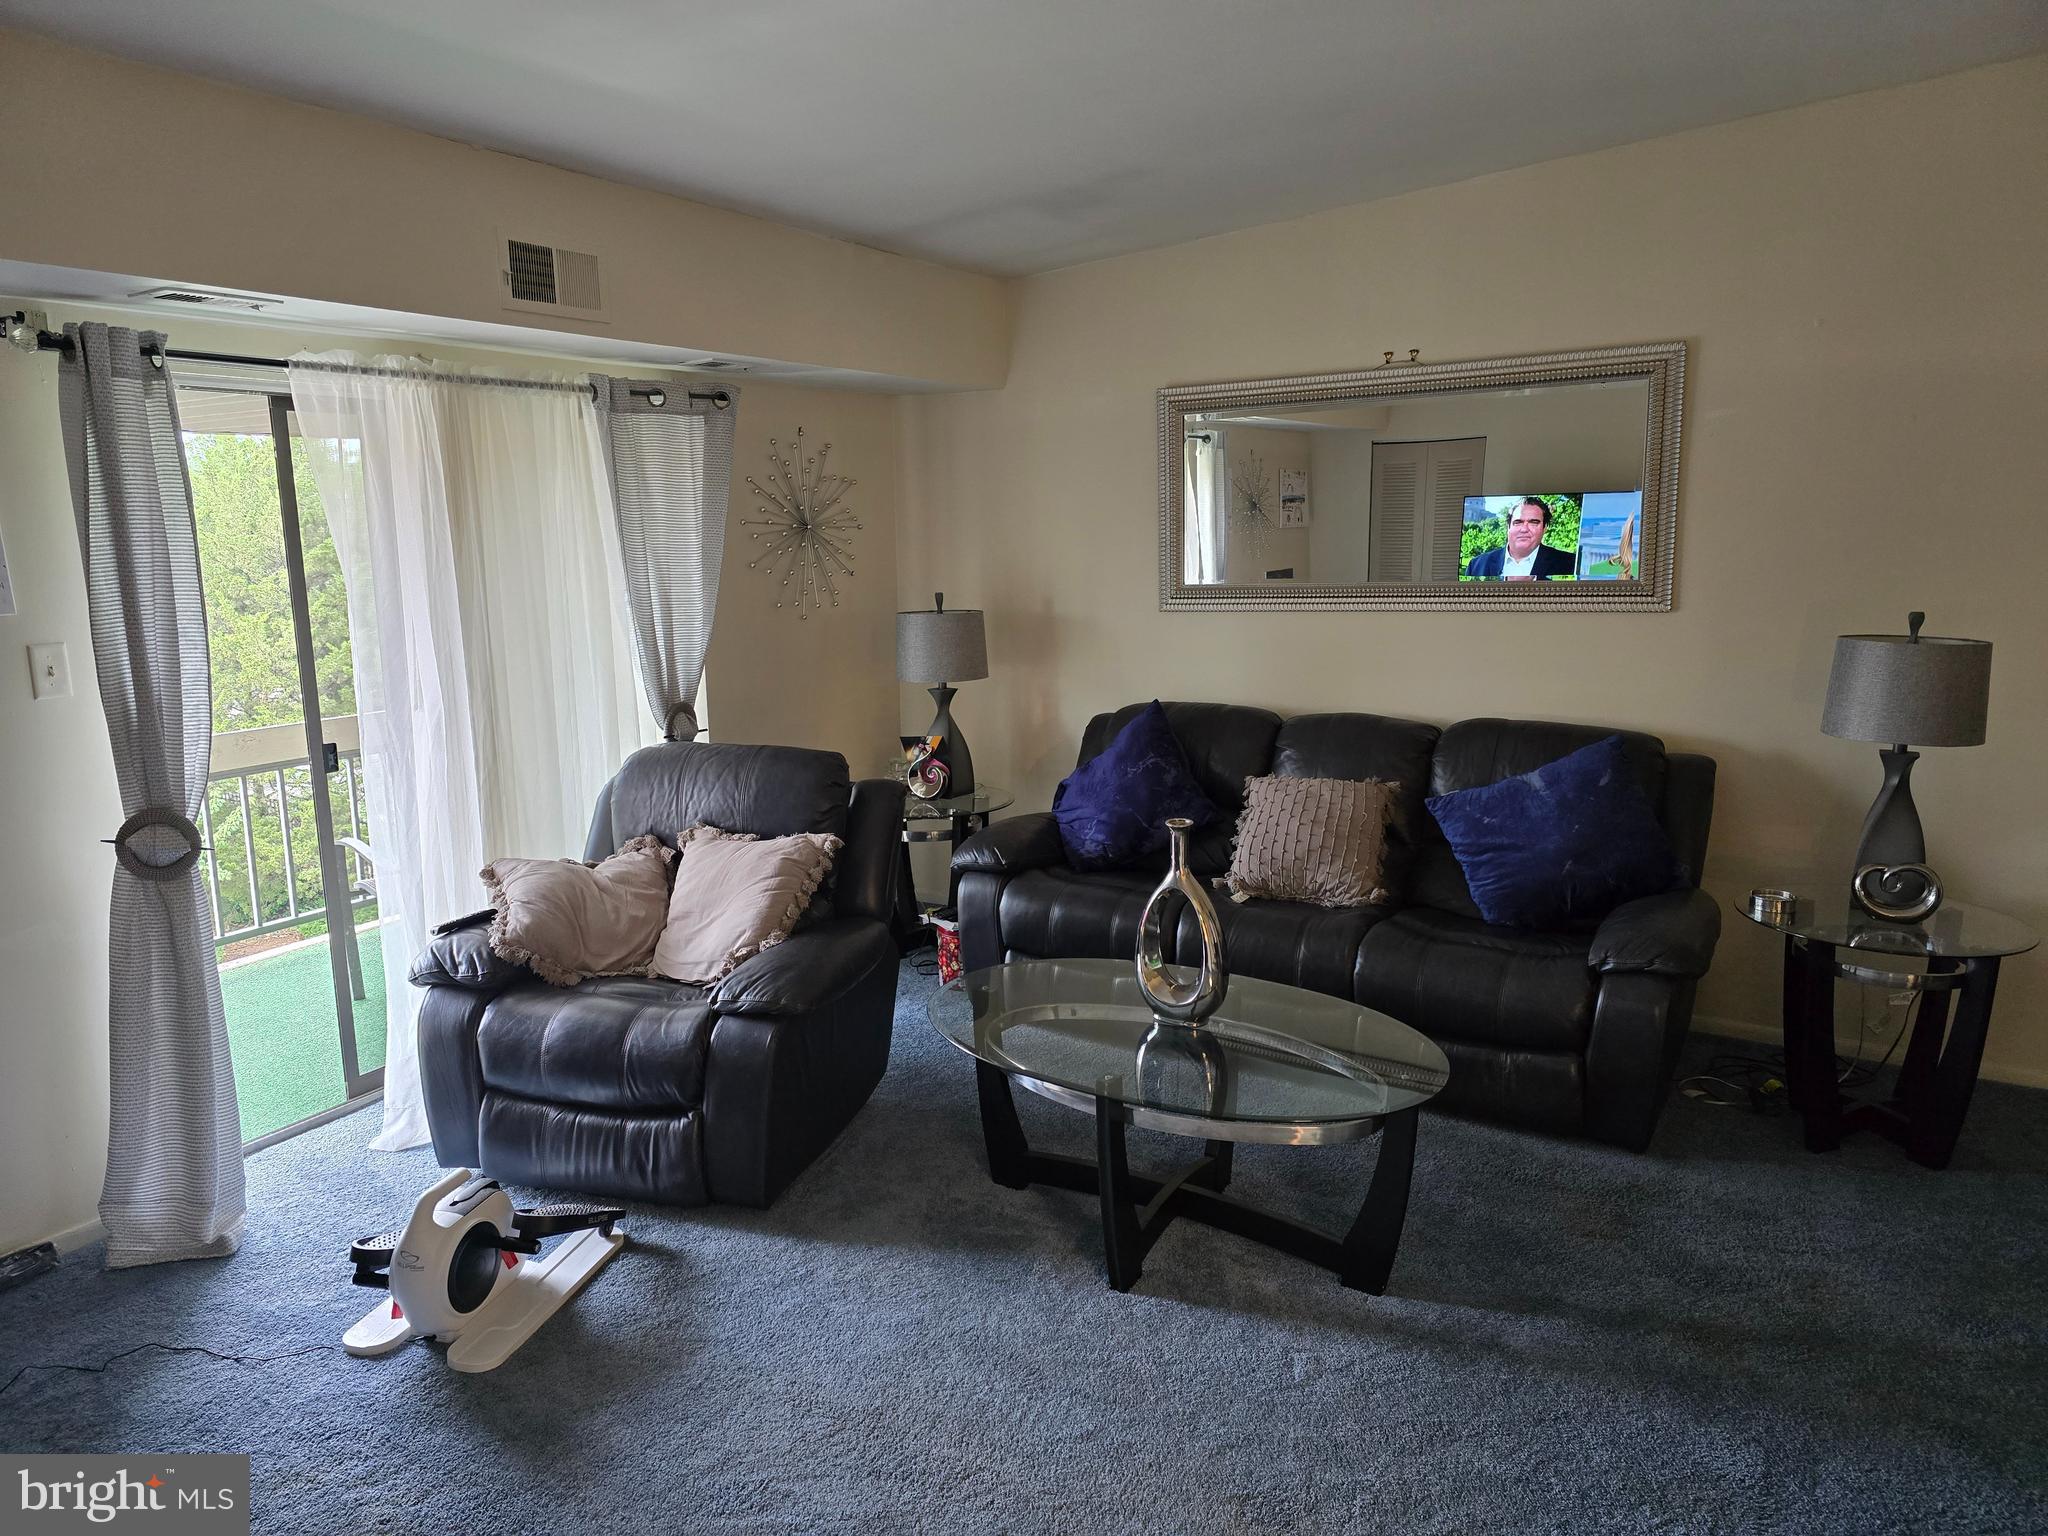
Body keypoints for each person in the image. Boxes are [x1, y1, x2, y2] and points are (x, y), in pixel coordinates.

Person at [1466, 497, 1575, 580]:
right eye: (1518, 522)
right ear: (1508, 526)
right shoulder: (1476, 566)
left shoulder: (1570, 564)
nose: (1524, 529)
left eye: (1533, 523)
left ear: (1544, 528)